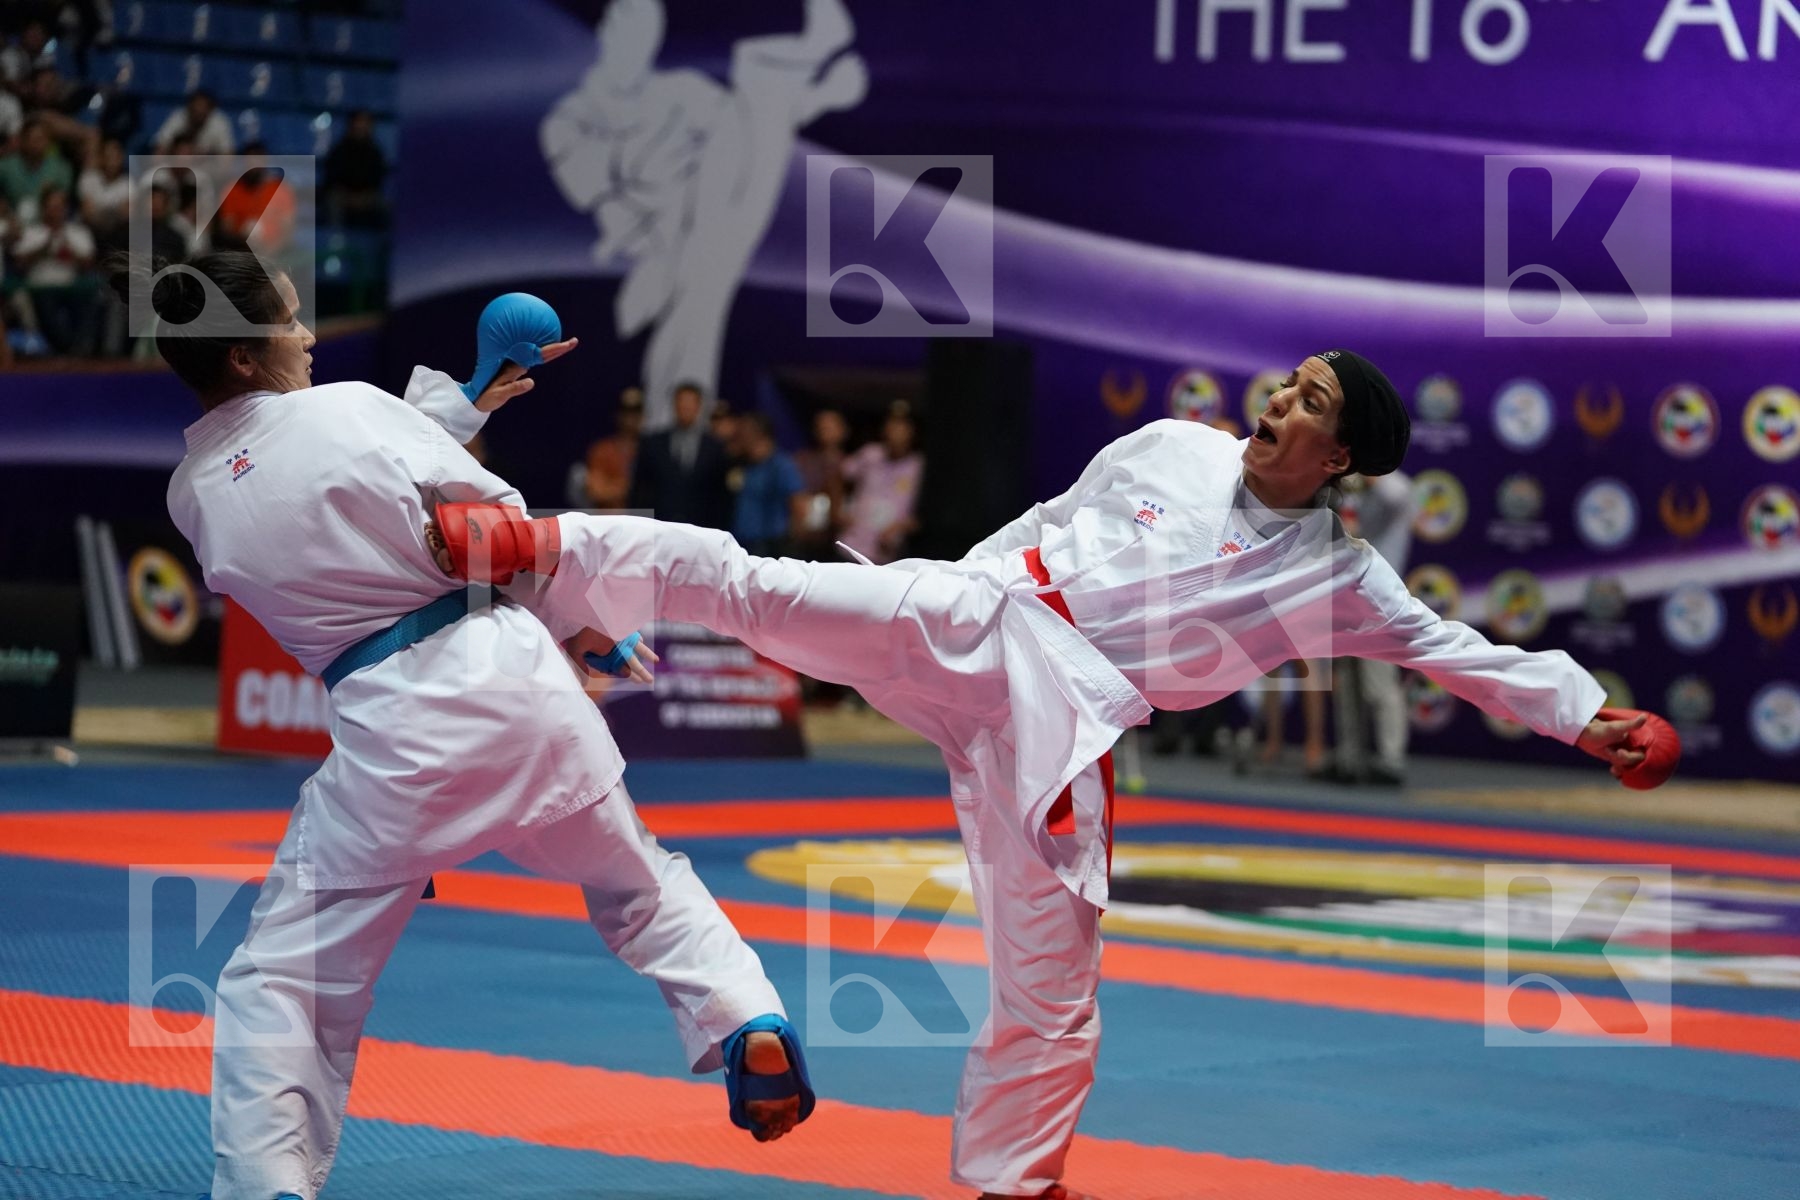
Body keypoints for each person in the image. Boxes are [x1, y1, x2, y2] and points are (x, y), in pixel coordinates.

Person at [434, 349, 1657, 1200]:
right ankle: (533, 542)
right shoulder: (1177, 443)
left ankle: (1015, 1181)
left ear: (1343, 457)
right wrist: (946, 595)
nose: (1280, 398)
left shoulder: (1341, 580)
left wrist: (1589, 717)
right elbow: (1047, 513)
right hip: (980, 618)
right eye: (1291, 379)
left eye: (1311, 400)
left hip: (1064, 724)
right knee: (762, 588)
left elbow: (1457, 652)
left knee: (1054, 972)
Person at [113, 252, 813, 1200]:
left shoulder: (192, 492)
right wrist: (585, 629)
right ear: (243, 355)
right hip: (519, 689)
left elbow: (326, 483)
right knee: (639, 881)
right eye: (290, 320)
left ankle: (267, 1182)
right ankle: (746, 1018)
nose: (309, 334)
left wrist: (465, 400)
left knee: (284, 979)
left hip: (390, 740)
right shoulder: (354, 408)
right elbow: (493, 530)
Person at [541, 0, 867, 430]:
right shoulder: (572, 119)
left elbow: (751, 128)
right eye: (630, 31)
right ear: (606, 35)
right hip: (662, 238)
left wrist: (821, 97)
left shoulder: (676, 90)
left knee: (738, 121)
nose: (639, 46)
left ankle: (787, 58)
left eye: (648, 35)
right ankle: (669, 428)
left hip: (714, 212)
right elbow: (604, 203)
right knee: (693, 315)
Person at [1331, 469, 1417, 784]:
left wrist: (1366, 473)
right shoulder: (1355, 491)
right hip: (1347, 593)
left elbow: (1396, 496)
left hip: (1381, 599)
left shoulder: (1395, 486)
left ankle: (1390, 759)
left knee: (1379, 683)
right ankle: (1350, 757)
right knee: (1347, 684)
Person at [628, 379, 732, 528]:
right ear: (674, 405)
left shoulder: (715, 447)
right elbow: (639, 489)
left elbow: (722, 497)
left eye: (690, 403)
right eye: (681, 403)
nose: (685, 408)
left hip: (701, 528)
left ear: (699, 406)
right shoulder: (653, 443)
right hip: (659, 526)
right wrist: (638, 526)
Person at [14, 183, 96, 355]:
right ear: (43, 208)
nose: (56, 211)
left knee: (89, 301)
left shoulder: (77, 232)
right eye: (51, 207)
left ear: (66, 208)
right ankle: (67, 351)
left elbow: (90, 264)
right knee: (46, 305)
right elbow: (19, 263)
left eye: (60, 207)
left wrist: (71, 252)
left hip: (72, 288)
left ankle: (81, 351)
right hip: (41, 289)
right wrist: (42, 250)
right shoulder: (32, 232)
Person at [840, 400, 923, 565]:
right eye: (891, 425)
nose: (895, 431)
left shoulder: (918, 466)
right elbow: (840, 475)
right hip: (852, 545)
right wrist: (839, 510)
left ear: (911, 431)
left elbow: (923, 516)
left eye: (901, 426)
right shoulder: (870, 454)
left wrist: (900, 527)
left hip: (887, 554)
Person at [732, 413, 804, 555]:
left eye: (743, 432)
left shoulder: (781, 465)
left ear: (758, 434)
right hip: (740, 541)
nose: (738, 436)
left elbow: (799, 504)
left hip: (770, 544)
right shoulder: (742, 464)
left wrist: (791, 543)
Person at [790, 406, 849, 557]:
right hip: (807, 533)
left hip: (838, 538)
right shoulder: (803, 460)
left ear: (843, 430)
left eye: (830, 427)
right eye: (821, 427)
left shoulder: (852, 464)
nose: (825, 431)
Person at [321, 108, 387, 229]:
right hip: (342, 195)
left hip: (367, 197)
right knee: (332, 200)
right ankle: (335, 240)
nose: (361, 126)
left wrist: (363, 197)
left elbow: (378, 180)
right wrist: (348, 196)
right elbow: (331, 178)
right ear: (351, 125)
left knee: (384, 205)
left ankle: (379, 244)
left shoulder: (376, 153)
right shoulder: (338, 150)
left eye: (365, 123)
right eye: (358, 122)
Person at [581, 385, 644, 508]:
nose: (631, 419)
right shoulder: (602, 450)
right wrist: (630, 488)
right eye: (626, 413)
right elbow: (596, 492)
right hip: (608, 520)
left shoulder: (653, 451)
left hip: (641, 521)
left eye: (636, 413)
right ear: (618, 415)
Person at [0, 117, 72, 217]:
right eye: (33, 139)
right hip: (12, 221)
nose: (37, 144)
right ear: (23, 140)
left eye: (41, 139)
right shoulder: (6, 167)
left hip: (47, 224)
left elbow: (61, 203)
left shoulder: (61, 169)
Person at [152, 89, 234, 156]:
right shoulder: (179, 117)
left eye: (202, 111)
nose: (198, 114)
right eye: (195, 110)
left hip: (207, 167)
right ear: (189, 108)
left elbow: (228, 154)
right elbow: (160, 147)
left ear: (210, 110)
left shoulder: (219, 122)